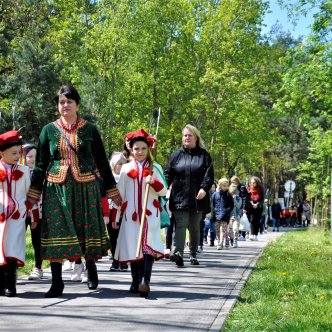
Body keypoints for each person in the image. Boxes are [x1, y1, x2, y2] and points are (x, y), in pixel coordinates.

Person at [27, 84, 121, 298]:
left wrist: (111, 190)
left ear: (77, 104)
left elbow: (102, 163)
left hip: (85, 187)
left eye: (69, 101)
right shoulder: (48, 130)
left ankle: (91, 268)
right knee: (56, 232)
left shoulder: (90, 129)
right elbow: (41, 164)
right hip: (55, 188)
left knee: (84, 229)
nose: (65, 105)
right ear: (57, 106)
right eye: (61, 102)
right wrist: (33, 194)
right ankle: (57, 282)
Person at [114, 129, 167, 297]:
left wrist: (154, 182)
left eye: (144, 148)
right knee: (133, 247)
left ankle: (146, 281)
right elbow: (120, 193)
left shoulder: (155, 167)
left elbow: (164, 192)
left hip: (150, 213)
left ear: (149, 148)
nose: (140, 152)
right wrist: (116, 215)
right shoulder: (126, 169)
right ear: (131, 149)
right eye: (137, 148)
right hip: (131, 214)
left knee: (147, 247)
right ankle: (134, 280)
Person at [164, 124, 214, 266]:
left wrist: (204, 188)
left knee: (194, 227)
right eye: (185, 135)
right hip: (179, 197)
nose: (187, 138)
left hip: (198, 198)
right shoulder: (175, 156)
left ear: (196, 137)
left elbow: (209, 176)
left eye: (189, 135)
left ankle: (192, 254)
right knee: (180, 224)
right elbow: (167, 175)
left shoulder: (204, 156)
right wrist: (162, 188)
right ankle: (178, 253)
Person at [0, 130, 30, 297]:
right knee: (0, 249)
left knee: (12, 248)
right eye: (13, 153)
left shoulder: (24, 171)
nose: (17, 156)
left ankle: (10, 285)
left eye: (19, 152)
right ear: (1, 153)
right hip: (0, 215)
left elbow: (27, 192)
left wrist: (29, 212)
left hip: (17, 216)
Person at [22, 144, 44, 281]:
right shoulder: (18, 171)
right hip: (20, 213)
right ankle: (13, 266)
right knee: (17, 239)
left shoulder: (41, 173)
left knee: (37, 241)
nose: (32, 159)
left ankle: (38, 267)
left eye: (35, 157)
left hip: (39, 211)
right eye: (29, 156)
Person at [107, 152, 128, 272]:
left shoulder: (127, 177)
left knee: (123, 236)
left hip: (124, 209)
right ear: (113, 165)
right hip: (111, 210)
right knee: (113, 236)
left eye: (123, 163)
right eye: (119, 164)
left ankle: (124, 261)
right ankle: (115, 261)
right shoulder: (109, 179)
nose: (121, 166)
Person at [212, 178, 234, 250]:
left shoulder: (229, 195)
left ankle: (221, 243)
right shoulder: (215, 194)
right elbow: (212, 204)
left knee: (223, 230)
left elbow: (231, 206)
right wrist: (213, 212)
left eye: (227, 185)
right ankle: (219, 241)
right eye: (224, 185)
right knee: (217, 230)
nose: (225, 187)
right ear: (220, 185)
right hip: (216, 215)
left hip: (224, 216)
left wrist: (226, 211)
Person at [230, 176, 250, 241]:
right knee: (238, 221)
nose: (232, 183)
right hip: (237, 205)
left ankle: (243, 235)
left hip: (241, 206)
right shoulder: (234, 187)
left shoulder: (242, 187)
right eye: (231, 182)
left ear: (236, 181)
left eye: (233, 181)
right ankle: (238, 234)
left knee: (241, 220)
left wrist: (244, 208)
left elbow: (245, 198)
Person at [247, 176, 264, 241]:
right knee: (251, 220)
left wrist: (257, 204)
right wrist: (252, 204)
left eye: (254, 183)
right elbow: (247, 198)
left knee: (257, 221)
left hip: (258, 208)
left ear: (257, 182)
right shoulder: (249, 189)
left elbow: (262, 199)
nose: (252, 184)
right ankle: (251, 234)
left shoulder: (261, 189)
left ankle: (255, 235)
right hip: (251, 207)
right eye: (251, 183)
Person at [203, 182, 217, 247]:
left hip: (214, 215)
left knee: (213, 229)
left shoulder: (217, 195)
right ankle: (204, 237)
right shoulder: (206, 195)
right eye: (211, 187)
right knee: (207, 225)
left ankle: (212, 240)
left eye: (213, 187)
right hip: (207, 214)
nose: (212, 188)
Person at [229, 184, 242, 248]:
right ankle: (231, 239)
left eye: (234, 192)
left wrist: (234, 200)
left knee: (235, 229)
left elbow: (239, 206)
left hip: (236, 216)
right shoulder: (228, 197)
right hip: (230, 216)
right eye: (232, 192)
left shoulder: (239, 198)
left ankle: (235, 241)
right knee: (230, 230)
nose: (233, 194)